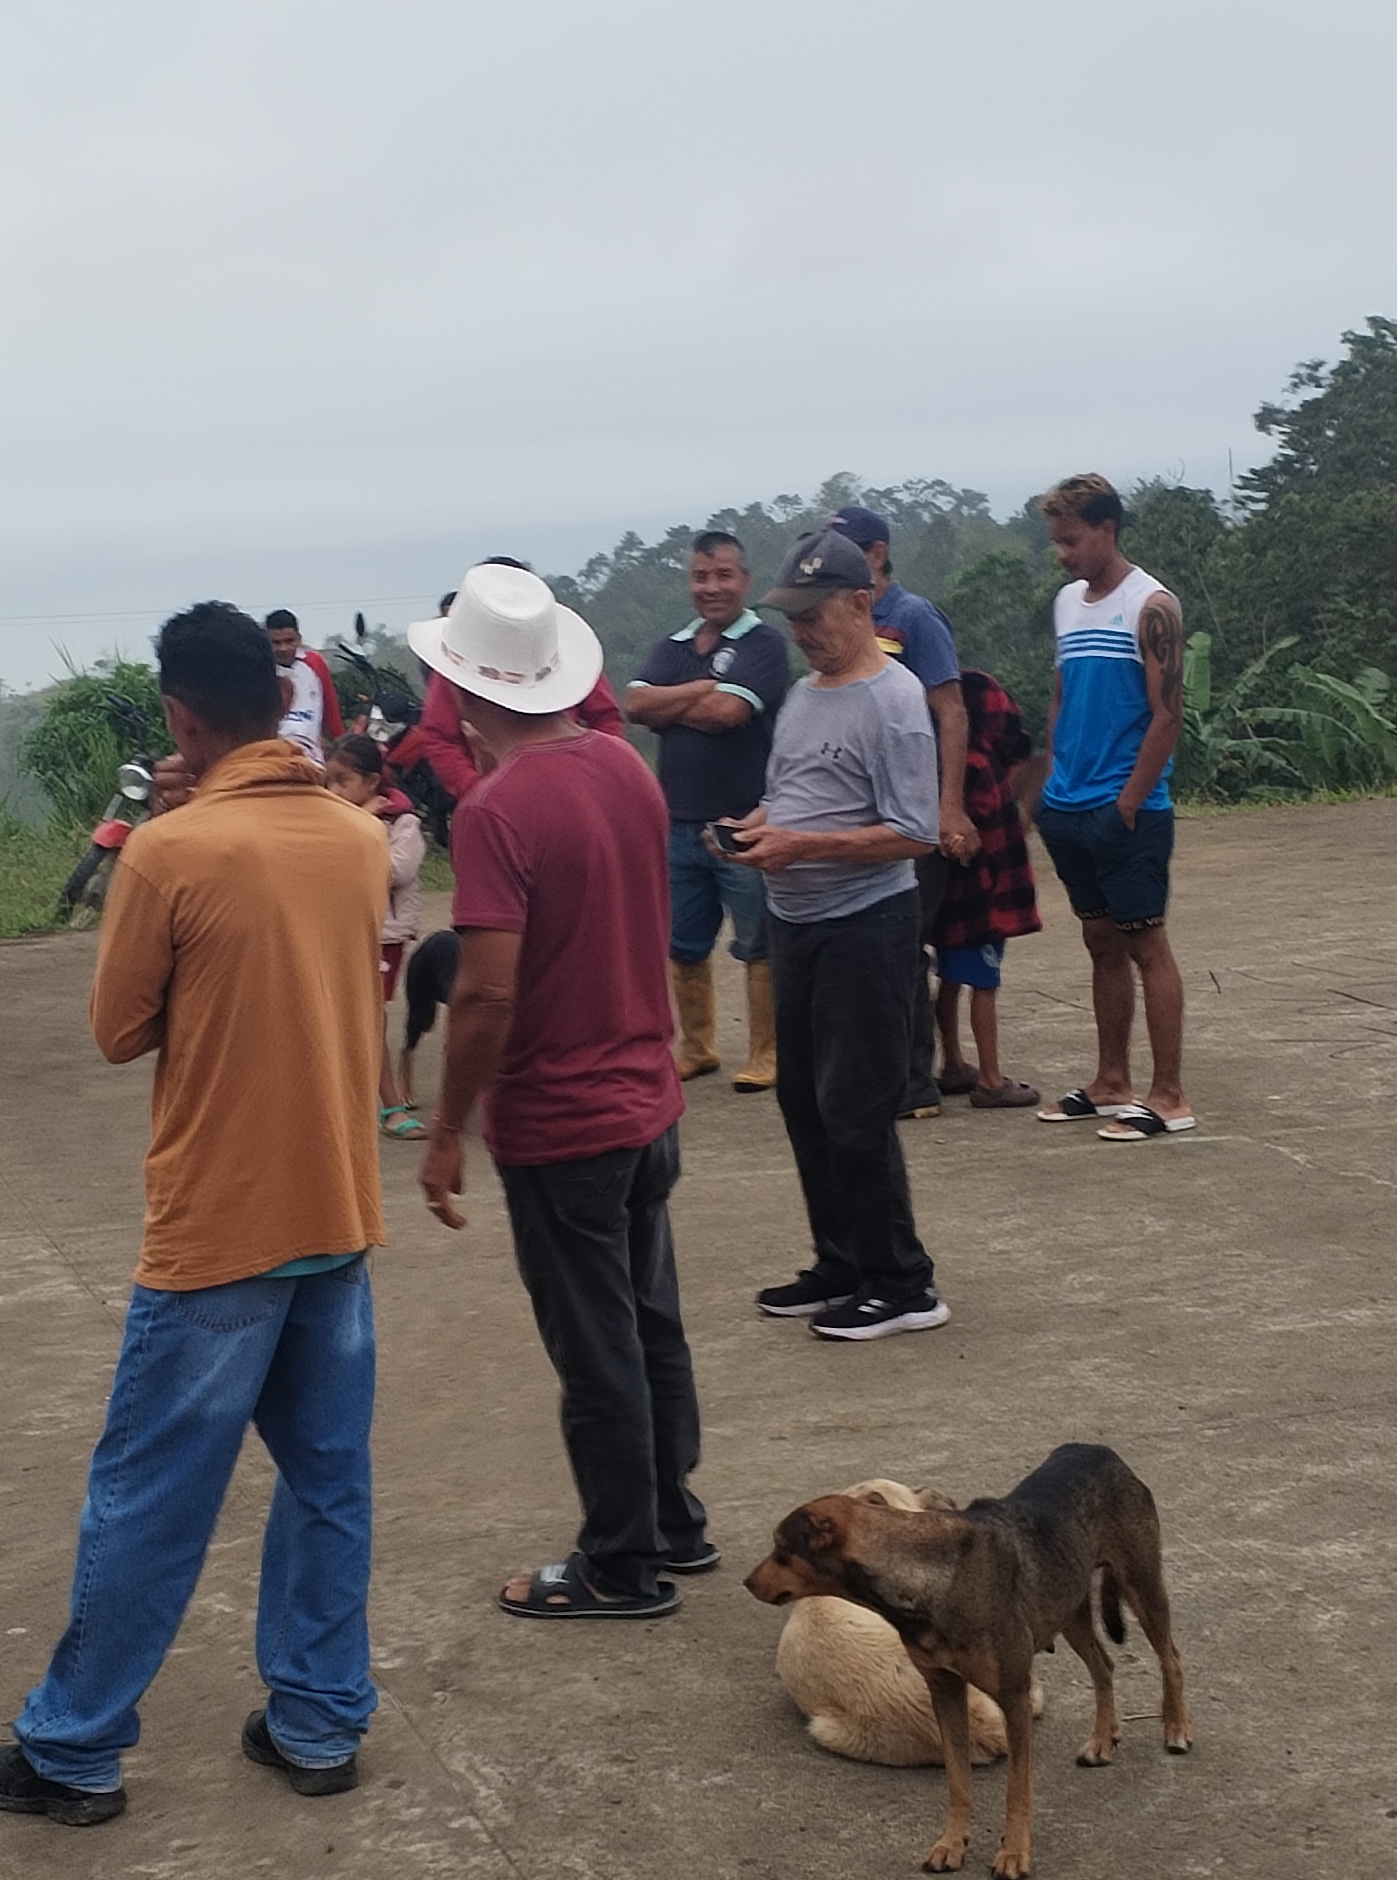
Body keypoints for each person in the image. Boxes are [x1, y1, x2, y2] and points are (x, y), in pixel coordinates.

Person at [0, 602, 387, 1827]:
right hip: (335, 1206)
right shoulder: (359, 835)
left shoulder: (170, 851)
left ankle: (74, 1743)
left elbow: (119, 1028)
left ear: (178, 714)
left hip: (218, 1227)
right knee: (326, 1479)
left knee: (151, 1491)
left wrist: (165, 831)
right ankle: (318, 1718)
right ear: (280, 699)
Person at [410, 565, 706, 1620]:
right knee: (650, 1322)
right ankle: (674, 1518)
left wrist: (448, 1125)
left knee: (595, 1350)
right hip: (646, 1100)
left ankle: (619, 1564)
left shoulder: (496, 811)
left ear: (464, 689)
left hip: (563, 1122)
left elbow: (486, 992)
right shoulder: (625, 767)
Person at [718, 534, 948, 1341]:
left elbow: (915, 832)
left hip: (866, 924)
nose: (802, 632)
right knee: (804, 1100)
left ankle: (903, 1281)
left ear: (860, 604)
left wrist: (803, 845)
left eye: (814, 616)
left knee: (856, 1106)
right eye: (792, 618)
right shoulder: (806, 695)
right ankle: (843, 1261)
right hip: (797, 922)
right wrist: (755, 828)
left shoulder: (896, 702)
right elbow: (790, 795)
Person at [1032, 474, 1196, 1139]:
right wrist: (1050, 779)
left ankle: (1169, 1096)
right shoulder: (1067, 603)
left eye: (1072, 541)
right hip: (1068, 805)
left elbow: (1167, 715)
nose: (1063, 554)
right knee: (1099, 941)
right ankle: (1111, 1082)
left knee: (1146, 945)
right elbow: (1061, 694)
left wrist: (1128, 803)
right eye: (1057, 542)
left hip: (1127, 809)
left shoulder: (1152, 606)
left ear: (1107, 529)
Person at [622, 530, 794, 1093]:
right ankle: (697, 1049)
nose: (711, 587)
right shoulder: (672, 645)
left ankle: (767, 1052)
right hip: (677, 823)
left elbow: (727, 715)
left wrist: (670, 704)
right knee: (683, 942)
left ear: (745, 580)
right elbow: (635, 705)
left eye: (723, 575)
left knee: (759, 942)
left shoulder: (764, 644)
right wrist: (704, 686)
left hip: (743, 822)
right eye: (701, 576)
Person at [828, 505, 969, 1120]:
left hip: (914, 809)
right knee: (869, 941)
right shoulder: (845, 622)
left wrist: (949, 807)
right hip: (863, 809)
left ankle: (915, 1082)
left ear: (877, 554)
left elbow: (952, 712)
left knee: (903, 942)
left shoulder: (914, 618)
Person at [397, 559, 618, 829]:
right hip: (499, 807)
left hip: (576, 799)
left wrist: (594, 778)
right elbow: (439, 736)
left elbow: (606, 718)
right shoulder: (459, 670)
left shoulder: (560, 662)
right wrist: (478, 792)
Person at [927, 670, 1046, 1110]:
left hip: (951, 899)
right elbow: (991, 838)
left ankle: (953, 1062)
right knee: (984, 983)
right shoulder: (981, 768)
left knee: (950, 979)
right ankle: (991, 1079)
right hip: (983, 900)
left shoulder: (948, 766)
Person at [323, 736, 429, 1138]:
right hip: (336, 929)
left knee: (368, 1017)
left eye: (343, 780)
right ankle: (368, 1103)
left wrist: (363, 825)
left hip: (382, 936)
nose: (333, 790)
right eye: (328, 781)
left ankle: (390, 1107)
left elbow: (394, 871)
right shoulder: (330, 818)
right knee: (343, 1016)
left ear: (371, 782)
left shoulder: (402, 823)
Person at [266, 608, 337, 764]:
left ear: (299, 639)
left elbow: (331, 711)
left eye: (289, 641)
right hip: (273, 757)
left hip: (311, 758)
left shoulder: (314, 663)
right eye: (276, 643)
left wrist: (338, 744)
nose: (283, 648)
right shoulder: (261, 669)